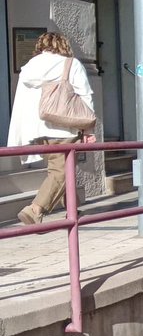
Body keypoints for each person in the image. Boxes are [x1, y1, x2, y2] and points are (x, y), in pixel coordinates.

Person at [6, 31, 95, 225]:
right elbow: (85, 95)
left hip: (38, 130)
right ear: (63, 45)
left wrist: (22, 134)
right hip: (65, 128)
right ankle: (36, 209)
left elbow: (21, 101)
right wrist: (89, 130)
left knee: (62, 168)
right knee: (60, 171)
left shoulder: (29, 67)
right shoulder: (71, 64)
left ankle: (73, 210)